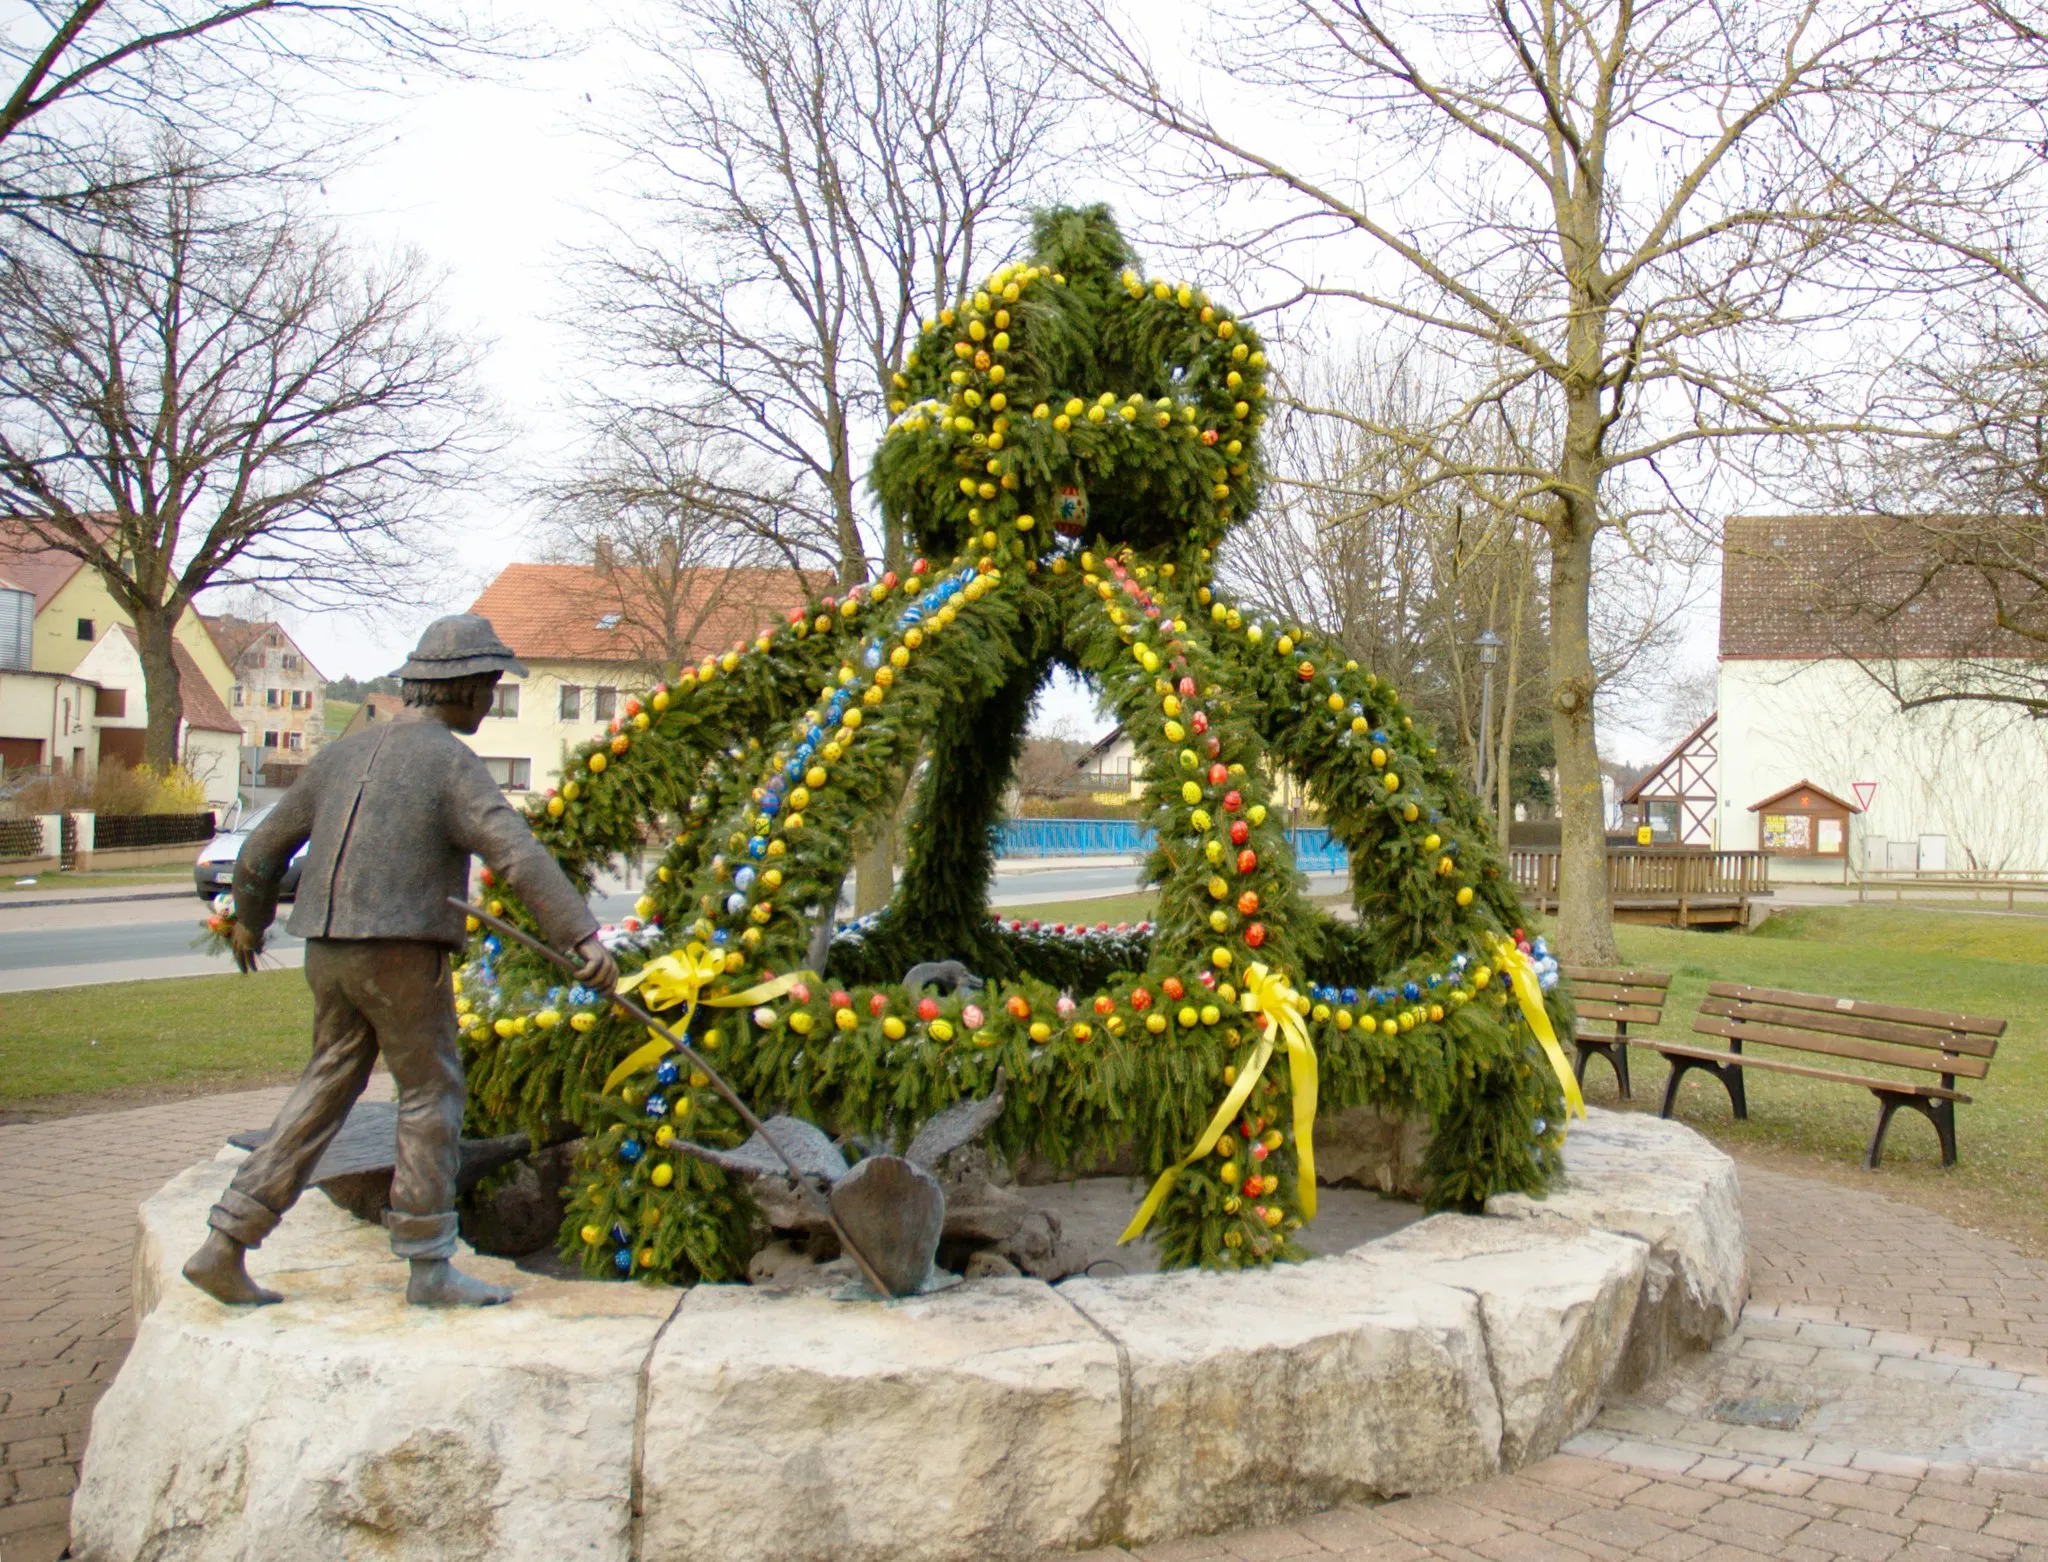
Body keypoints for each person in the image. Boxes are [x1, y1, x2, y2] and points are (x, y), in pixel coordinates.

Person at [182, 614, 617, 1308]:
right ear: (466, 688)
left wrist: (250, 924)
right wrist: (581, 938)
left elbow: (262, 850)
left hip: (327, 950)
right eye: (489, 687)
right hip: (401, 954)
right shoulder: (448, 761)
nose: (490, 698)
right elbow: (516, 853)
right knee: (430, 1093)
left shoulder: (341, 756)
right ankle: (428, 1263)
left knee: (323, 1088)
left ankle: (225, 1241)